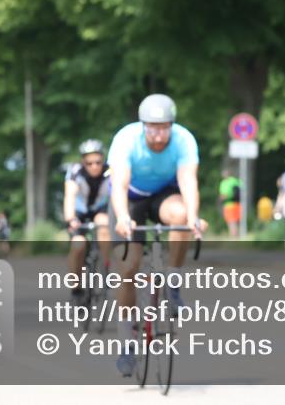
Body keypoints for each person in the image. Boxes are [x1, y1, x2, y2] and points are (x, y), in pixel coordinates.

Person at [109, 93, 204, 377]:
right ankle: (127, 342)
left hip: (164, 194)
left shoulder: (184, 140)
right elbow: (119, 185)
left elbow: (188, 181)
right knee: (129, 268)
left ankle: (172, 280)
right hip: (130, 199)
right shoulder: (126, 140)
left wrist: (193, 217)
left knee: (181, 216)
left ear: (172, 126)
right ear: (143, 126)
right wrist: (122, 217)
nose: (159, 136)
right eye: (153, 129)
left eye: (165, 128)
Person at [63, 139, 112, 304]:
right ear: (83, 162)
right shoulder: (75, 172)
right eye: (89, 163)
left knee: (103, 224)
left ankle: (107, 268)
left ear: (103, 160)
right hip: (80, 213)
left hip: (100, 210)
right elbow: (69, 196)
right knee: (78, 245)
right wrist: (71, 218)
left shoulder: (110, 171)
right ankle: (76, 287)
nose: (94, 166)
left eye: (98, 162)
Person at [218, 168, 242, 237]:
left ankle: (233, 236)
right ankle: (236, 235)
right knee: (235, 221)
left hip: (229, 204)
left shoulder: (224, 183)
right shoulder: (235, 180)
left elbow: (224, 195)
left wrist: (221, 199)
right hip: (237, 203)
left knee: (231, 221)